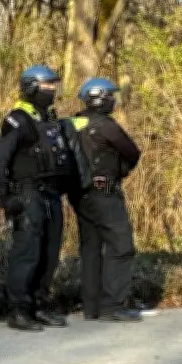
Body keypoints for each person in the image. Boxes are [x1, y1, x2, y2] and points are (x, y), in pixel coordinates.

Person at [0, 65, 74, 332]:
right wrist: (5, 196)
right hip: (28, 193)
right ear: (32, 87)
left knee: (50, 252)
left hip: (51, 194)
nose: (53, 90)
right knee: (27, 252)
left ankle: (39, 304)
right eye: (48, 85)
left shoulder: (49, 119)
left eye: (53, 85)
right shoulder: (18, 120)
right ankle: (19, 309)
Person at [71, 77, 142, 322]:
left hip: (80, 195)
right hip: (105, 194)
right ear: (99, 97)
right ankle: (112, 305)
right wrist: (121, 170)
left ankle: (91, 307)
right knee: (121, 246)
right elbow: (132, 152)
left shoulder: (73, 123)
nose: (113, 100)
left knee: (91, 248)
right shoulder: (106, 126)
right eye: (110, 96)